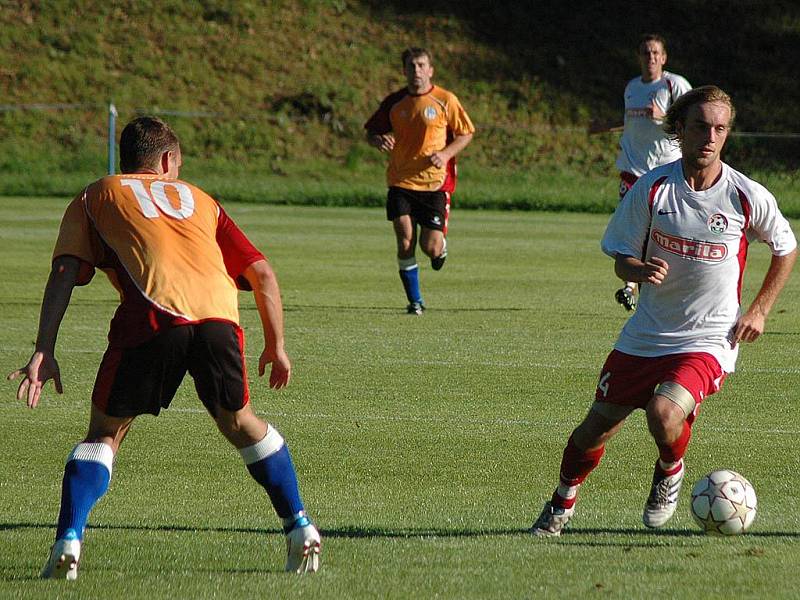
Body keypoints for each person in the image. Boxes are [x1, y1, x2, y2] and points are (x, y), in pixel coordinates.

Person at [7, 117, 321, 578]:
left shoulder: (96, 194)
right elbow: (263, 275)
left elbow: (64, 274)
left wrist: (44, 349)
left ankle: (69, 540)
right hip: (219, 317)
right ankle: (301, 527)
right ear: (169, 160)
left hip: (154, 314)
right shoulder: (201, 199)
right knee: (241, 422)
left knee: (104, 435)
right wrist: (277, 346)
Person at [532, 86, 797, 536]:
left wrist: (760, 310)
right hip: (647, 333)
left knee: (663, 412)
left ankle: (670, 470)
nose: (709, 137)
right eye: (700, 126)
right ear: (680, 129)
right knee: (594, 428)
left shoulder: (745, 195)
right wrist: (636, 267)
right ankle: (561, 503)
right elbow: (620, 257)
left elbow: (785, 247)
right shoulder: (653, 189)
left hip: (710, 337)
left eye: (720, 128)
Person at [364, 47, 475, 314]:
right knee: (404, 240)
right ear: (404, 71)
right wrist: (378, 139)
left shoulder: (445, 100)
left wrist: (446, 154)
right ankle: (415, 301)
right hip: (401, 181)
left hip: (435, 184)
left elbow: (466, 132)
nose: (417, 71)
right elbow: (371, 131)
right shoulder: (394, 103)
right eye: (411, 66)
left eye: (421, 65)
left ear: (430, 70)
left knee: (430, 247)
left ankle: (441, 249)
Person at [592, 34, 692, 311]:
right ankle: (630, 285)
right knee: (631, 227)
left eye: (655, 53)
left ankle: (670, 282)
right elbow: (630, 120)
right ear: (640, 57)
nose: (650, 58)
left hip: (664, 170)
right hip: (631, 170)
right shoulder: (632, 87)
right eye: (646, 53)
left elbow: (692, 119)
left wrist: (663, 115)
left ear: (664, 57)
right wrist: (605, 126)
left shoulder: (675, 85)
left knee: (663, 227)